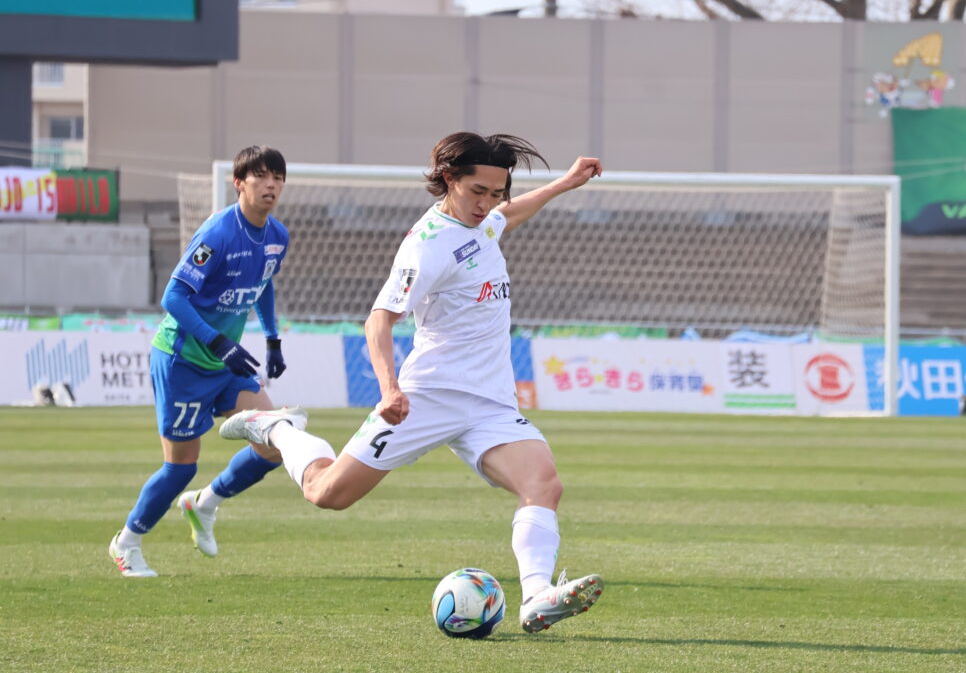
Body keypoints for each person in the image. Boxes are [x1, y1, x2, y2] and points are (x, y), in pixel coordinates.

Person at [221, 132, 605, 633]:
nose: (487, 203)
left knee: (544, 484)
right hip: (426, 397)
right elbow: (378, 320)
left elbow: (505, 217)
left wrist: (565, 183)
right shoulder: (426, 247)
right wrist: (390, 389)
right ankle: (279, 428)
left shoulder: (483, 222)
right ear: (449, 179)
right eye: (478, 191)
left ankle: (536, 596)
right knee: (328, 492)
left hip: (490, 403)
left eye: (496, 192)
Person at [108, 146, 295, 577]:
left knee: (273, 444)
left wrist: (272, 339)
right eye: (261, 177)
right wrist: (216, 341)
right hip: (183, 361)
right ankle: (126, 542)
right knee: (180, 468)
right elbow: (173, 296)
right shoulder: (218, 233)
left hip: (224, 364)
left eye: (278, 178)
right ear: (239, 183)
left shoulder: (277, 236)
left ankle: (205, 502)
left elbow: (264, 283)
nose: (271, 185)